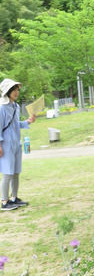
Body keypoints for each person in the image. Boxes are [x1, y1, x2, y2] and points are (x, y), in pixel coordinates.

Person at [0, 79, 36, 211]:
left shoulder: (15, 106)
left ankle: (14, 198)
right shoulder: (1, 108)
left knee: (16, 172)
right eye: (14, 90)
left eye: (17, 90)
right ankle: (4, 202)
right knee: (7, 173)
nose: (16, 92)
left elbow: (16, 124)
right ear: (7, 91)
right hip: (5, 145)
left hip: (16, 143)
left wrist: (28, 121)